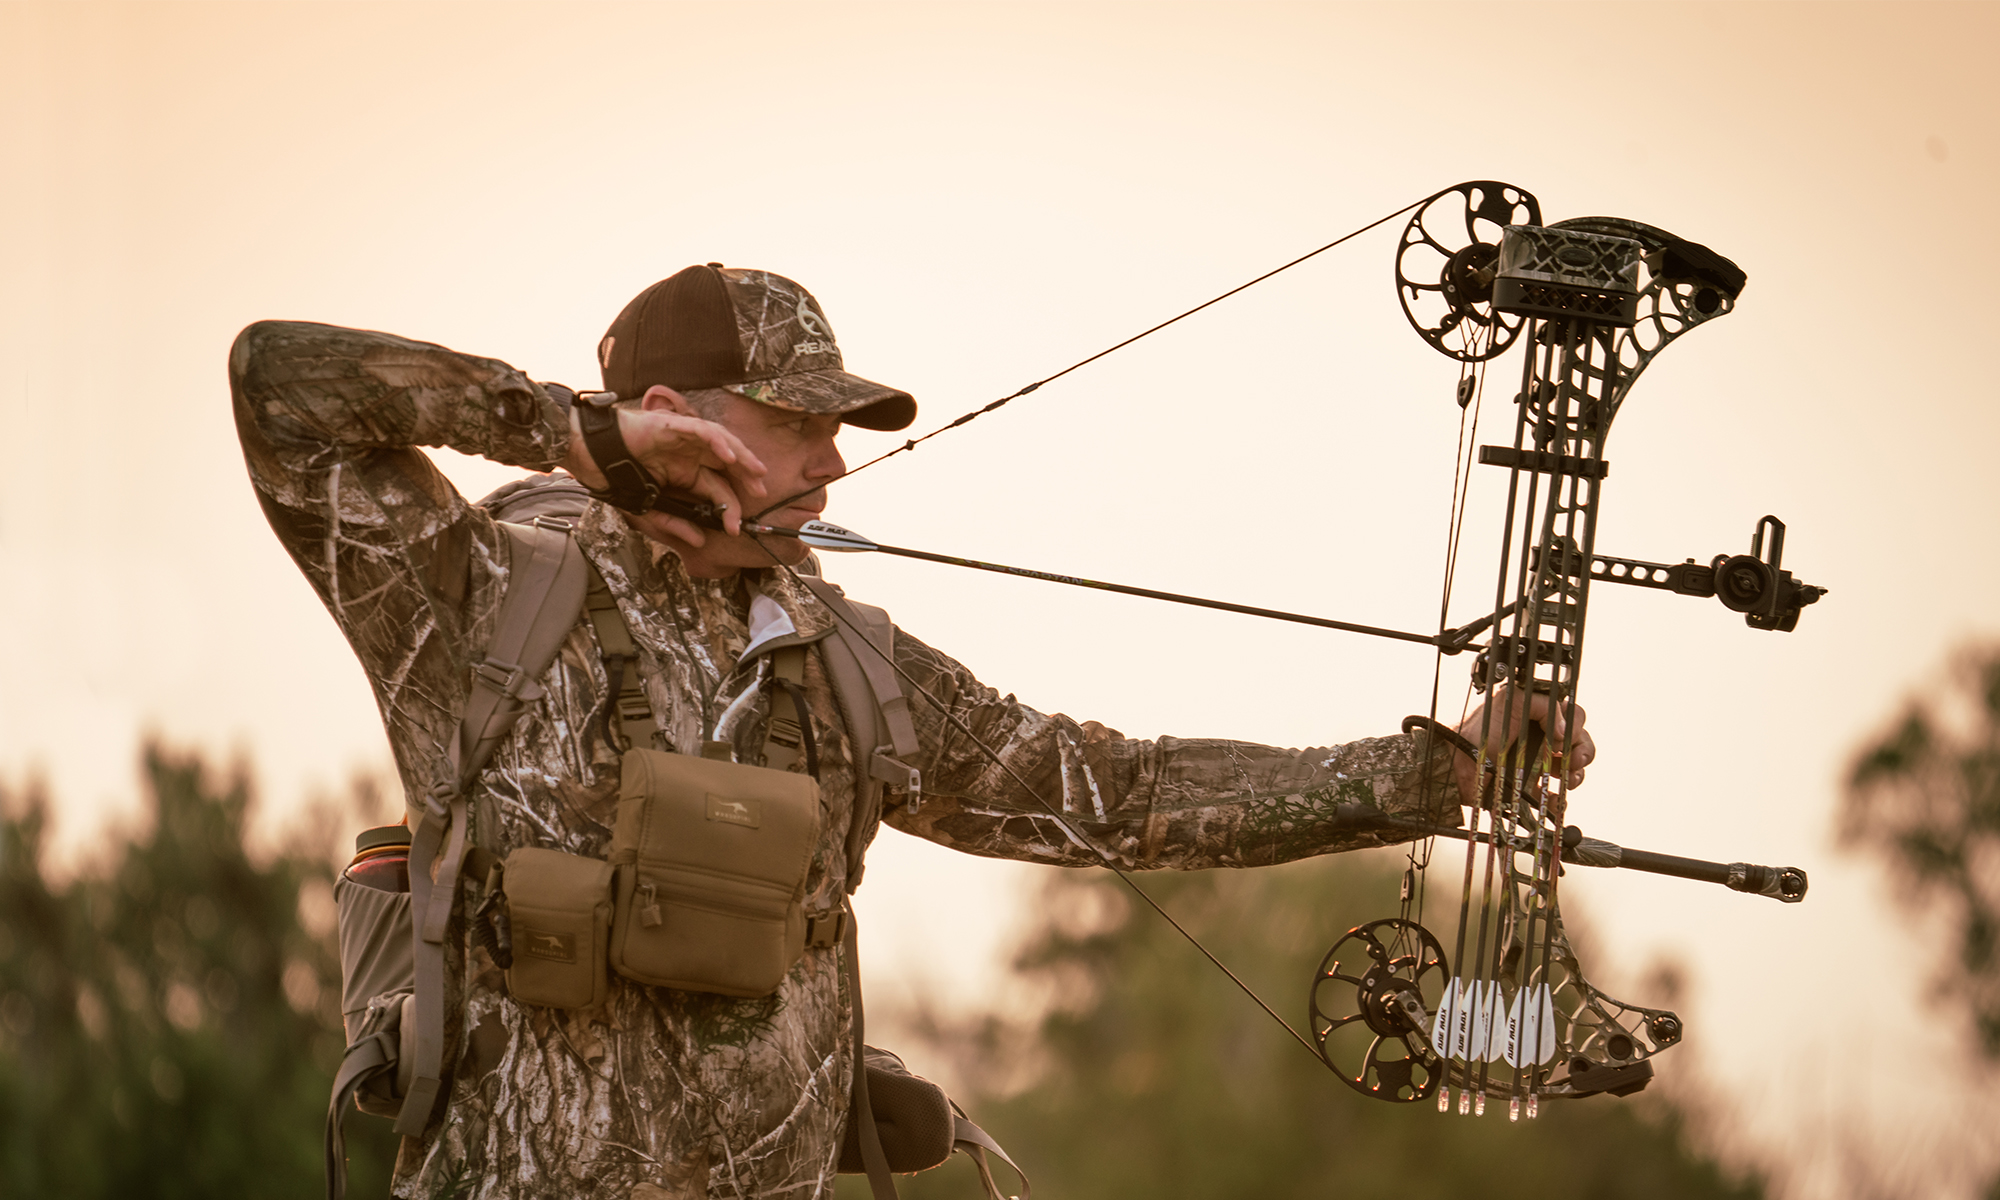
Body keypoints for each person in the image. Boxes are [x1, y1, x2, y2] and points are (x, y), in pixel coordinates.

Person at [230, 263, 1592, 1199]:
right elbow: (278, 384)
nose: (833, 461)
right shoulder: (475, 601)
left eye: (836, 428)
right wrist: (559, 428)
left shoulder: (849, 670)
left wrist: (1442, 772)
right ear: (673, 425)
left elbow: (1120, 790)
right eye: (797, 421)